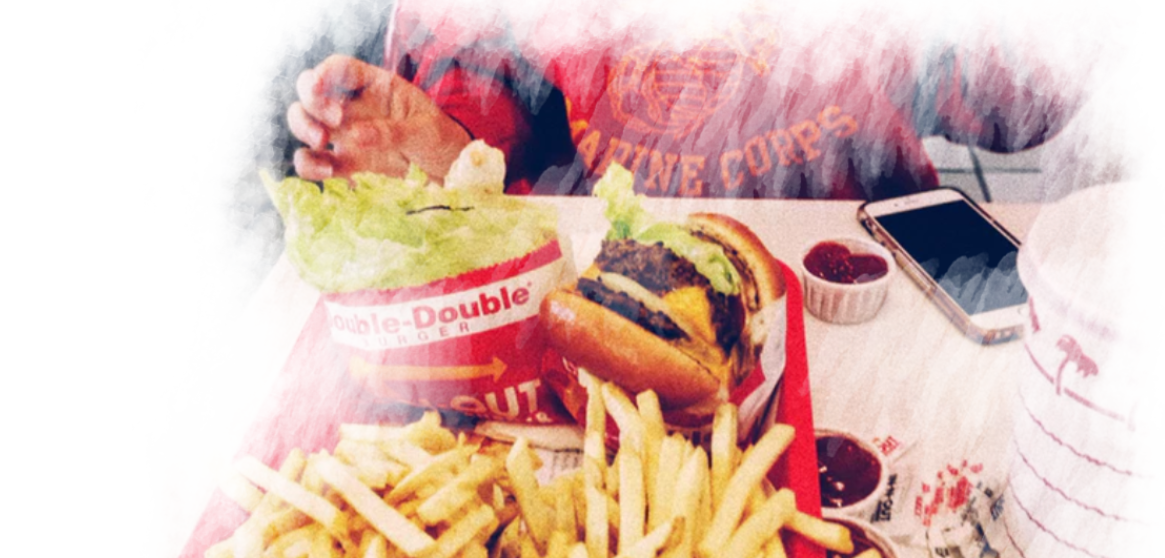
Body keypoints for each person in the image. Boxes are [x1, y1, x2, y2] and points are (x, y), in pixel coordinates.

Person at [287, 0, 1131, 199]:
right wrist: (460, 138)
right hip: (588, 283)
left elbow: (979, 81)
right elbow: (486, 67)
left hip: (856, 267)